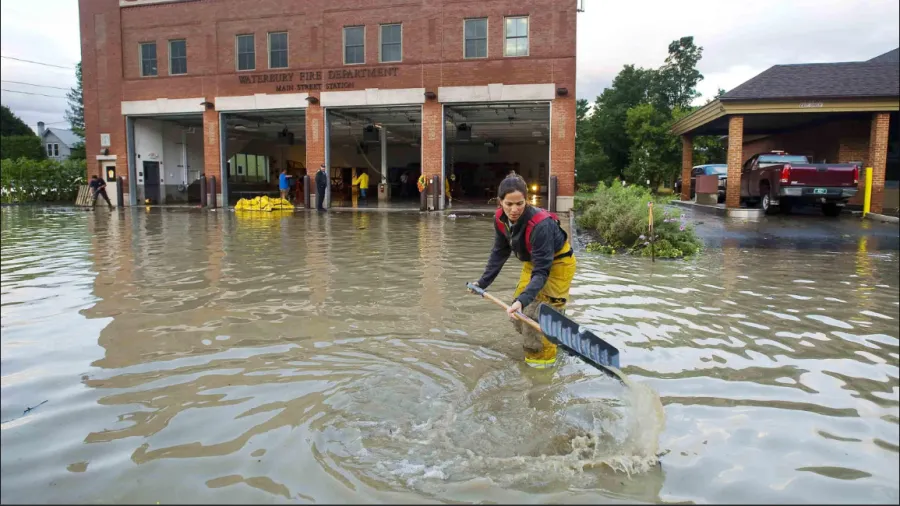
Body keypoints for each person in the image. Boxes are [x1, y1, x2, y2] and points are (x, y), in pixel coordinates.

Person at [469, 174, 576, 369]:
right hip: (532, 263)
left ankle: (542, 367)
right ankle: (555, 333)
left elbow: (542, 272)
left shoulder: (540, 226)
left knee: (536, 317)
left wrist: (523, 300)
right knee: (519, 314)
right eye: (509, 204)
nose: (514, 209)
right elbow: (499, 253)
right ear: (500, 201)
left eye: (519, 203)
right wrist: (483, 282)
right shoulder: (500, 220)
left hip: (557, 265)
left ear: (526, 200)